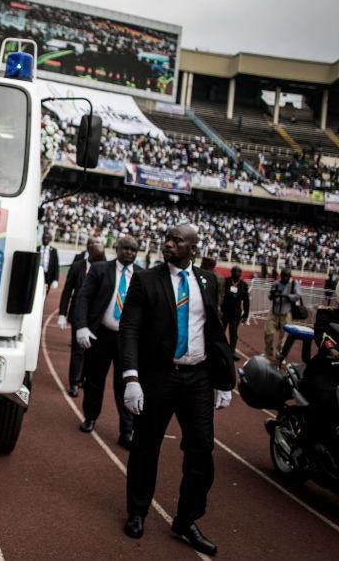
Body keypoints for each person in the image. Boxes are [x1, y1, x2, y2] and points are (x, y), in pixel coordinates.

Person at [119, 224, 236, 556]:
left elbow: (214, 331)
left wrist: (224, 380)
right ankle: (137, 511)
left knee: (201, 450)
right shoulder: (146, 279)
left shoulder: (208, 281)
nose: (167, 244)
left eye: (176, 240)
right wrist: (131, 378)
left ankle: (186, 519)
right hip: (159, 376)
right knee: (146, 447)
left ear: (193, 248)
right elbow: (129, 329)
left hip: (197, 377)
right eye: (167, 239)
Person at [73, 236, 142, 448]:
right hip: (101, 334)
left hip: (127, 340)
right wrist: (82, 326)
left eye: (133, 249)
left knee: (126, 385)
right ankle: (91, 417)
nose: (129, 252)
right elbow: (83, 298)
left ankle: (127, 430)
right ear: (117, 248)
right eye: (125, 248)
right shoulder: (100, 269)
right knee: (95, 380)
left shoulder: (142, 275)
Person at [58, 237, 106, 397]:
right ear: (89, 253)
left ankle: (84, 379)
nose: (99, 259)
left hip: (97, 319)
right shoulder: (78, 266)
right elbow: (67, 290)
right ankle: (74, 383)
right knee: (78, 351)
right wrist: (62, 314)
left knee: (91, 352)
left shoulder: (104, 269)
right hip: (78, 315)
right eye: (96, 255)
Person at [266, 268, 300, 359]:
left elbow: (297, 296)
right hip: (274, 313)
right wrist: (273, 295)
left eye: (286, 276)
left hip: (286, 314)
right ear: (280, 275)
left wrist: (286, 296)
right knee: (268, 333)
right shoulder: (276, 283)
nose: (284, 278)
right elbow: (270, 296)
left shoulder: (294, 284)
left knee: (283, 337)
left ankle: (279, 354)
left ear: (290, 276)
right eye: (283, 276)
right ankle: (268, 352)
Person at [222, 266, 250, 361]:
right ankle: (219, 350)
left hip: (236, 313)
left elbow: (246, 301)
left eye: (239, 272)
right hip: (224, 311)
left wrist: (246, 314)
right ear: (231, 272)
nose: (237, 274)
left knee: (233, 333)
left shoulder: (243, 285)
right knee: (221, 331)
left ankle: (231, 352)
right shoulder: (225, 281)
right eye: (235, 271)